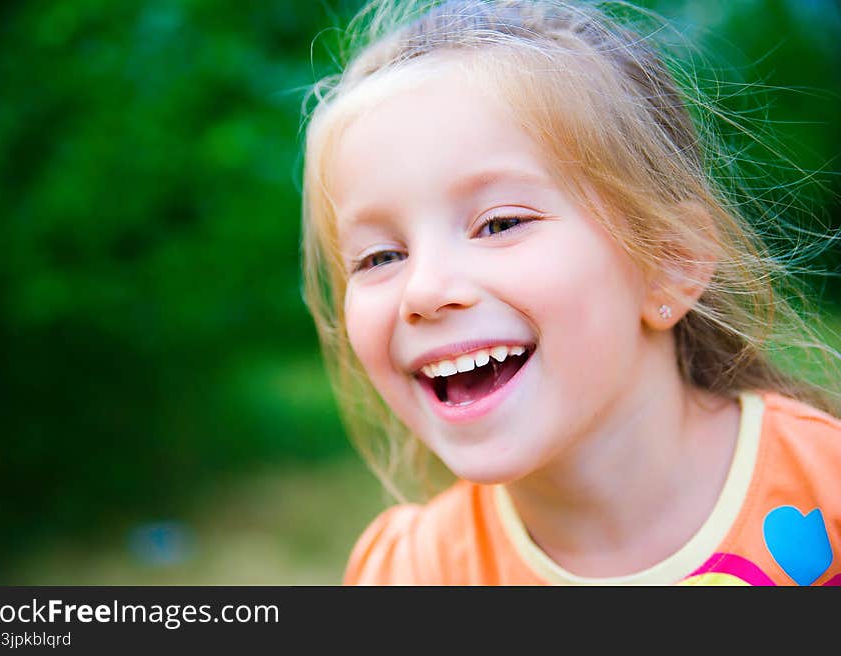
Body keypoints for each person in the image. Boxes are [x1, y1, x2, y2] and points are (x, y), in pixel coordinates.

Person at [299, 0, 841, 585]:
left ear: (669, 260)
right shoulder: (415, 576)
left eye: (500, 224)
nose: (424, 291)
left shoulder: (825, 483)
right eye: (381, 257)